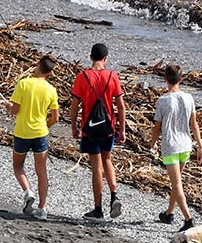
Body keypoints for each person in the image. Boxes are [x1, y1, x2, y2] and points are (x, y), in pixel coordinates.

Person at [69, 42, 126, 220]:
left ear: (91, 56)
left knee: (96, 167)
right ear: (105, 58)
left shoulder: (82, 77)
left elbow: (74, 105)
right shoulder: (112, 76)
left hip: (90, 127)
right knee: (107, 159)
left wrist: (74, 125)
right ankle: (114, 194)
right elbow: (121, 106)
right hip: (108, 126)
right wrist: (122, 129)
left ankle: (98, 209)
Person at [148, 63, 202, 232]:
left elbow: (157, 127)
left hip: (171, 145)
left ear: (165, 79)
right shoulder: (189, 98)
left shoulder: (163, 101)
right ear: (181, 79)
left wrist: (152, 143)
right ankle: (169, 213)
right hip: (186, 144)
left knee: (177, 183)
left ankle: (188, 219)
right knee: (176, 182)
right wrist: (200, 146)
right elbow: (194, 125)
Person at [7, 54, 60, 221]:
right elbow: (55, 118)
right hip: (40, 133)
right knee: (41, 171)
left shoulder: (23, 84)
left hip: (22, 132)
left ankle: (27, 191)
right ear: (50, 73)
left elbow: (15, 110)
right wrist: (46, 126)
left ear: (37, 64)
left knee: (18, 166)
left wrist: (9, 106)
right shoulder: (51, 90)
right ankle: (42, 208)